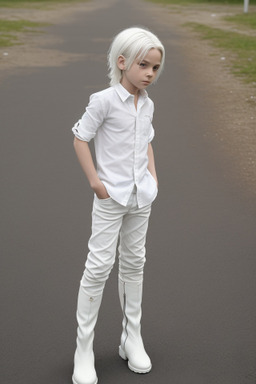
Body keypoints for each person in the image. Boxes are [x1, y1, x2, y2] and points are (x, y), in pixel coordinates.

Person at [71, 26, 165, 384]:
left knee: (135, 262)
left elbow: (147, 142)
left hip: (142, 197)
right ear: (122, 62)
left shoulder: (148, 103)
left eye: (155, 68)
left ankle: (132, 338)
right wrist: (97, 183)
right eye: (144, 65)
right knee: (98, 267)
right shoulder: (104, 100)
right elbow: (81, 138)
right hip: (111, 198)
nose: (150, 74)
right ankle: (84, 349)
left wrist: (153, 177)